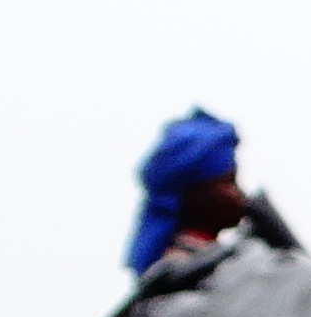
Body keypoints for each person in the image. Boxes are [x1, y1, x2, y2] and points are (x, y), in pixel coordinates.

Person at [123, 108, 295, 277]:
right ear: (195, 193)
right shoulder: (183, 269)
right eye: (229, 182)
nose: (240, 193)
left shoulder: (217, 258)